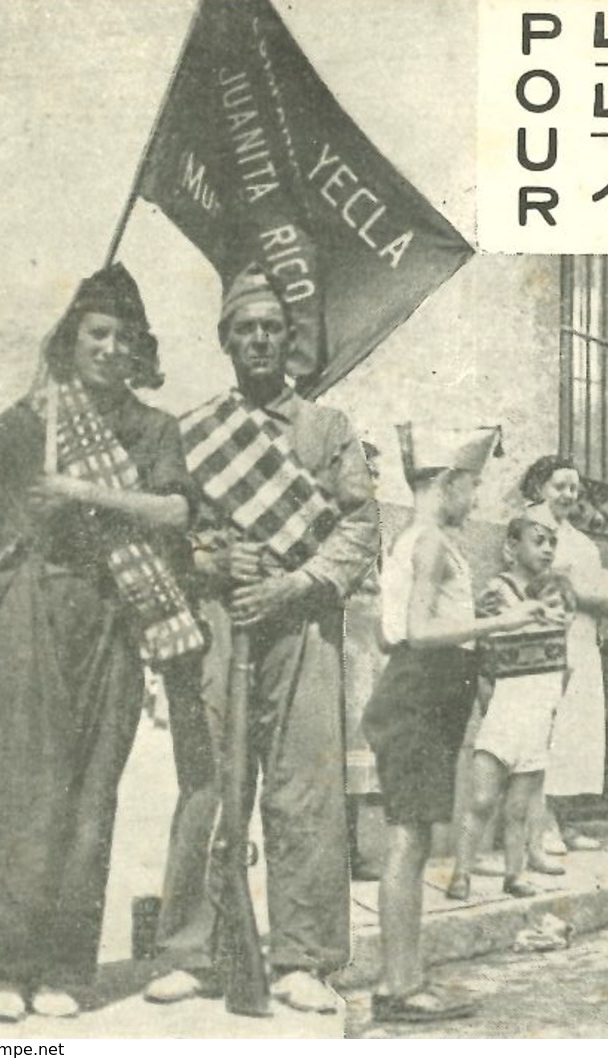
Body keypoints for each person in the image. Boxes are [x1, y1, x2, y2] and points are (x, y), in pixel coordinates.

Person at [0, 265, 200, 1022]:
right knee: (16, 795)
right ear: (70, 342)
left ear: (141, 350)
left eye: (123, 338)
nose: (109, 349)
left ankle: (66, 972)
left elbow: (173, 512)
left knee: (88, 803)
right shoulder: (31, 420)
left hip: (110, 623)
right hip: (25, 612)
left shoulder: (152, 428)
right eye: (95, 334)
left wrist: (82, 492)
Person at [147, 265, 378, 1014]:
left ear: (290, 341)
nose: (258, 339)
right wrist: (214, 562)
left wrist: (295, 581)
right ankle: (190, 950)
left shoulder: (327, 429)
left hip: (302, 620)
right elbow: (167, 534)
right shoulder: (195, 431)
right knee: (210, 780)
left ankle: (302, 958)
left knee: (303, 784)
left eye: (272, 328)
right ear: (225, 340)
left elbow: (360, 526)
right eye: (244, 327)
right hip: (217, 619)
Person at [362, 425, 551, 1022]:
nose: (474, 500)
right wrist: (505, 622)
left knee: (414, 840)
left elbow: (389, 630)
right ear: (446, 484)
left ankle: (408, 977)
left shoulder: (419, 542)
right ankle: (399, 986)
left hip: (423, 697)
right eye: (471, 488)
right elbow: (417, 633)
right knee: (409, 838)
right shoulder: (428, 545)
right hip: (418, 697)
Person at [448, 507, 574, 901]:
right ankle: (461, 871)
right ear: (511, 547)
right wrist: (490, 708)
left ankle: (514, 873)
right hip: (503, 714)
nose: (548, 549)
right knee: (482, 799)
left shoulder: (556, 595)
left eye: (553, 542)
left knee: (520, 806)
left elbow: (561, 664)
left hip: (537, 719)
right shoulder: (497, 592)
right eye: (539, 541)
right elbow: (483, 660)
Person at [519, 456, 608, 854]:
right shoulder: (529, 528)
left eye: (574, 488)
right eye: (560, 486)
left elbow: (589, 587)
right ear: (540, 486)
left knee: (577, 734)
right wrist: (592, 595)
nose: (568, 495)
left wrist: (600, 598)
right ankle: (539, 825)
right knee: (546, 730)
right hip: (545, 634)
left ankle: (565, 820)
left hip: (582, 637)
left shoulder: (580, 539)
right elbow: (540, 582)